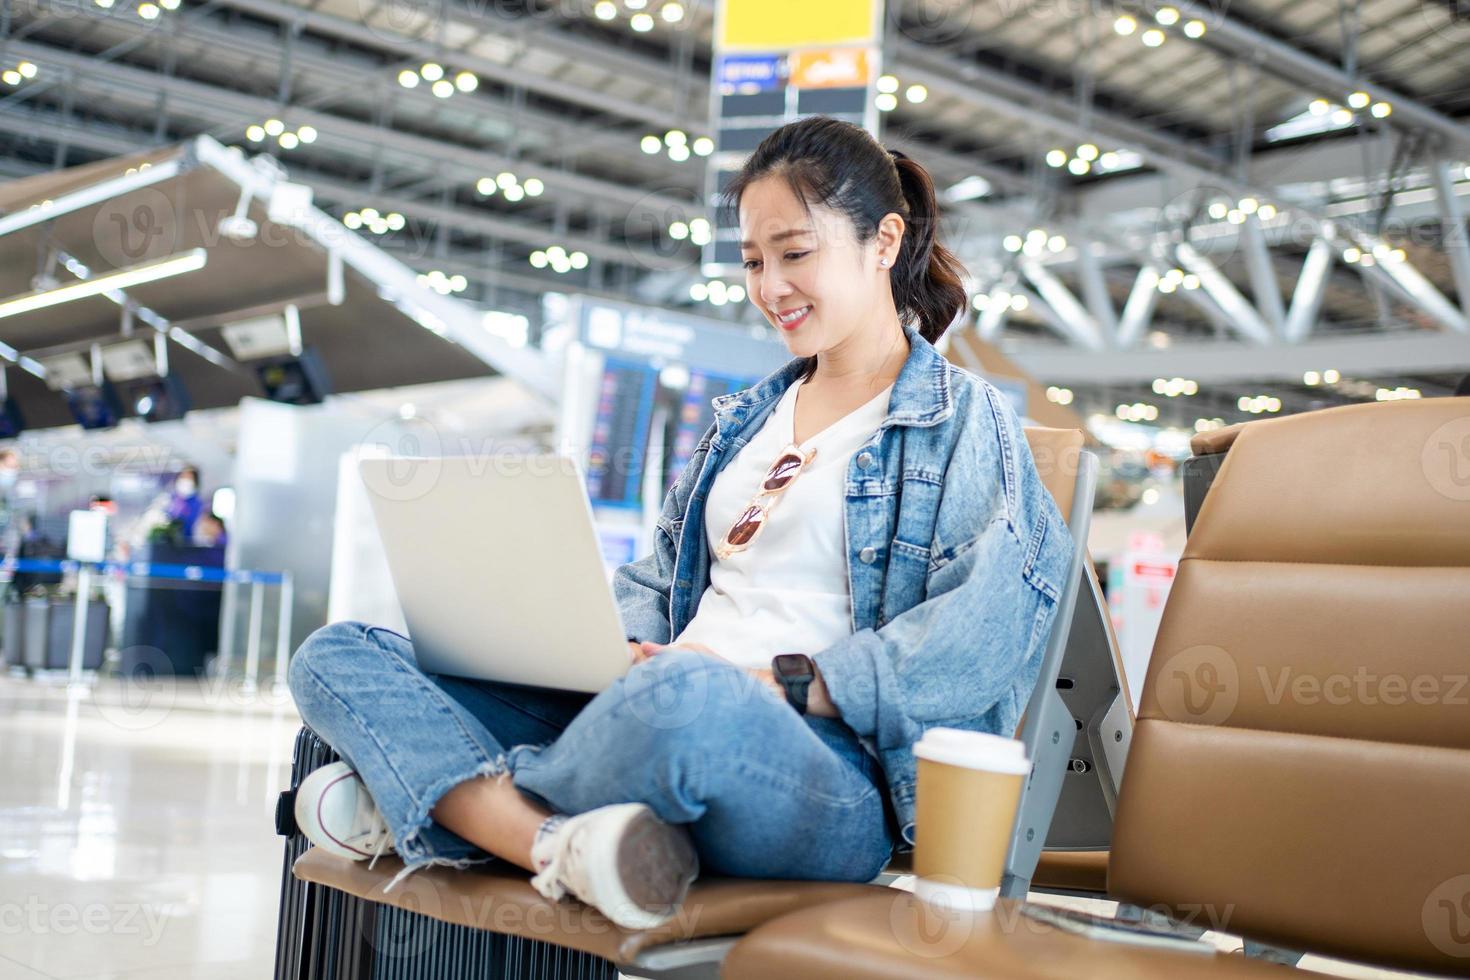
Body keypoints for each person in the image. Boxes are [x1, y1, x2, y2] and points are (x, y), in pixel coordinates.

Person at [286, 115, 1072, 930]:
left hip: (816, 767)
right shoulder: (745, 423)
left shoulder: (962, 419)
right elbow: (659, 584)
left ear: (884, 242)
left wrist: (786, 684)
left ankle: (442, 803)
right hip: (652, 709)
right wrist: (604, 648)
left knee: (688, 696)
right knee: (340, 653)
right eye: (754, 261)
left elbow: (981, 637)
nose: (771, 288)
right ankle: (553, 841)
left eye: (796, 254)